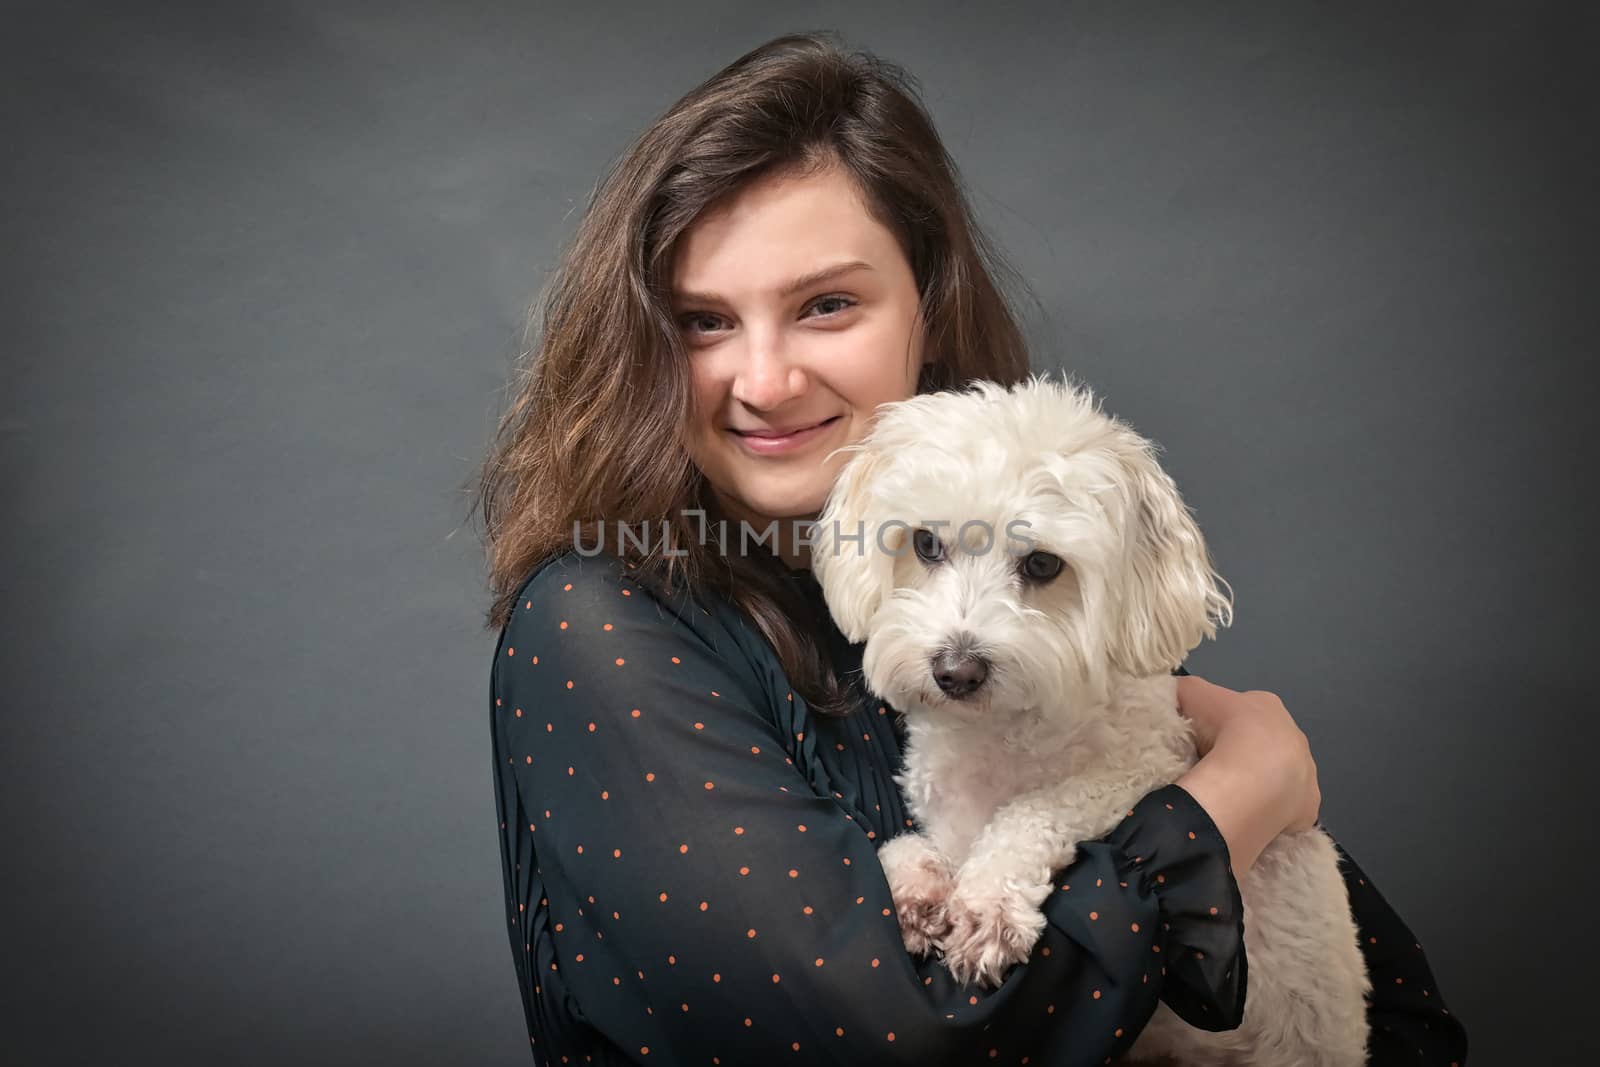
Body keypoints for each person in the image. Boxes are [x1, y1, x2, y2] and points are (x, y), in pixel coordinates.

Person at [473, 32, 1467, 1066]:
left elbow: (1396, 1017)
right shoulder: (597, 629)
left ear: (931, 311)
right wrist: (1232, 799)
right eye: (702, 321)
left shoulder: (1021, 591)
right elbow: (905, 1045)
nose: (763, 381)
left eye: (826, 305)